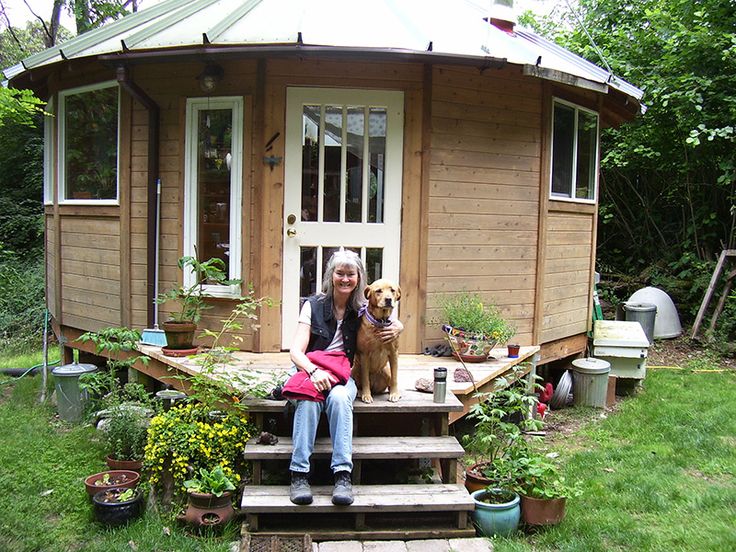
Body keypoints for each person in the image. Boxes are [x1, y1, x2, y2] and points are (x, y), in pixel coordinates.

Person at [287, 249, 402, 505]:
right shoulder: (313, 305)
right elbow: (296, 350)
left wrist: (399, 326)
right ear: (331, 276)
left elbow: (386, 315)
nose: (345, 279)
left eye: (351, 274)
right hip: (311, 370)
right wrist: (313, 372)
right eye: (340, 273)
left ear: (359, 278)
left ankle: (342, 475)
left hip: (342, 373)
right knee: (308, 402)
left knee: (340, 400)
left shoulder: (362, 308)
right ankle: (299, 474)